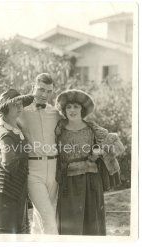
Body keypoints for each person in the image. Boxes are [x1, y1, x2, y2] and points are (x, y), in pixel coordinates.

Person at [54, 89, 125, 235]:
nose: (72, 110)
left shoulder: (93, 129)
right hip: (68, 183)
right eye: (68, 107)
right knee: (69, 226)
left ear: (82, 109)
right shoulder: (58, 129)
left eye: (76, 106)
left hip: (91, 182)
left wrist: (100, 151)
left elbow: (119, 147)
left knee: (92, 225)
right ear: (64, 109)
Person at [17, 73, 61, 234]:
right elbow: (2, 124)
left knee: (42, 215)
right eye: (41, 89)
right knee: (49, 218)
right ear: (33, 87)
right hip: (34, 169)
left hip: (54, 168)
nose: (44, 94)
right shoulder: (21, 112)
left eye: (49, 91)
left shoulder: (56, 113)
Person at [0, 89, 33, 234]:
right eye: (15, 104)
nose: (20, 107)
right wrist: (1, 155)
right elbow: (9, 165)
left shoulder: (4, 123)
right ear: (5, 108)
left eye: (20, 103)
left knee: (15, 229)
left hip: (12, 184)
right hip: (7, 186)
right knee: (5, 231)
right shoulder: (6, 134)